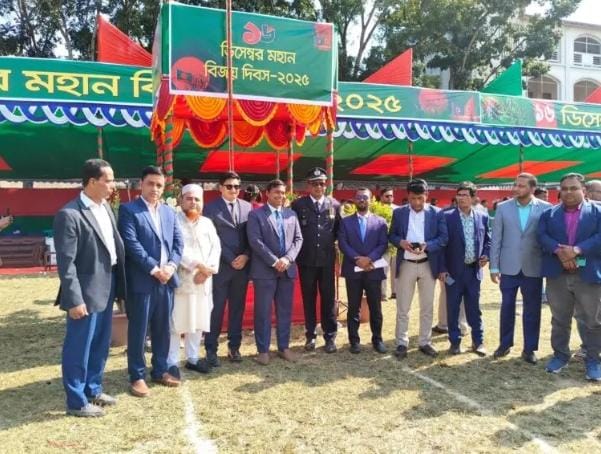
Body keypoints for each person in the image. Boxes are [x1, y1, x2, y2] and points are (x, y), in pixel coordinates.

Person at [54, 159, 126, 417]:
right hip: (85, 292)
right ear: (92, 182)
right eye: (108, 180)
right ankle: (76, 401)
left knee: (100, 343)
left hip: (108, 284)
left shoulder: (106, 207)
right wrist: (74, 299)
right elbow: (66, 263)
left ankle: (93, 388)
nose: (113, 185)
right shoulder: (69, 214)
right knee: (79, 346)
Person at [118, 166, 184, 397]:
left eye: (159, 185)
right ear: (141, 184)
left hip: (166, 280)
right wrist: (155, 269)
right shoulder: (129, 210)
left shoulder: (169, 212)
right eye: (151, 184)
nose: (155, 188)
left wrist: (171, 266)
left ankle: (160, 369)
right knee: (139, 330)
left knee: (162, 328)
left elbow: (178, 243)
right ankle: (137, 376)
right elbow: (131, 244)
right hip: (143, 280)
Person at [538, 173, 601, 381]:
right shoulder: (549, 214)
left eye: (573, 188)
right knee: (559, 319)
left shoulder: (598, 212)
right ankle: (560, 356)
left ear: (584, 190)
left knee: (593, 321)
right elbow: (542, 236)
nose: (568, 192)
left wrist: (576, 250)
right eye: (564, 188)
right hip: (557, 274)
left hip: (588, 274)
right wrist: (559, 251)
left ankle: (593, 361)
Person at [490, 173, 551, 364]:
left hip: (533, 267)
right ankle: (504, 344)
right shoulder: (502, 208)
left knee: (532, 309)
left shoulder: (546, 208)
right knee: (507, 306)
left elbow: (547, 239)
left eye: (521, 186)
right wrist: (494, 267)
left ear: (532, 188)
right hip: (508, 267)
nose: (516, 188)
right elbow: (496, 238)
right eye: (515, 184)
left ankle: (529, 349)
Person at [389, 179, 448, 359]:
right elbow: (392, 235)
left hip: (427, 265)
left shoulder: (437, 213)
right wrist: (401, 242)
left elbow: (443, 238)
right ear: (407, 196)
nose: (416, 202)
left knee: (427, 306)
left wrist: (427, 245)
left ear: (427, 195)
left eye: (420, 198)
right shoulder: (399, 213)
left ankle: (425, 342)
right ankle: (401, 342)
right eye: (413, 198)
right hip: (406, 264)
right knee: (403, 307)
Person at [247, 179, 303, 365]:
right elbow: (255, 241)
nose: (281, 195)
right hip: (265, 271)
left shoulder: (291, 214)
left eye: (283, 192)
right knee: (263, 311)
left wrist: (287, 259)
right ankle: (263, 350)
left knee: (284, 311)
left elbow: (298, 239)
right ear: (267, 193)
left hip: (287, 270)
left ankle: (283, 347)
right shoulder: (256, 215)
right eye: (277, 192)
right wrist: (274, 261)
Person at [167, 184, 221, 376]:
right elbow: (175, 249)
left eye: (197, 199)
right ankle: (171, 361)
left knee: (198, 321)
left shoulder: (207, 223)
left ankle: (193, 358)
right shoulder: (173, 221)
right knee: (176, 323)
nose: (193, 202)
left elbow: (216, 248)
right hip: (182, 281)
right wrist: (198, 265)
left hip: (204, 281)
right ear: (181, 200)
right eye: (189, 198)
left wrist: (208, 270)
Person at [203, 172, 252, 366]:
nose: (234, 190)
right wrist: (231, 258)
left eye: (237, 186)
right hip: (221, 267)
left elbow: (252, 236)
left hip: (242, 268)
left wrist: (246, 255)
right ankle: (211, 349)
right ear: (220, 187)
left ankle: (234, 347)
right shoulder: (210, 208)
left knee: (237, 309)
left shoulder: (247, 207)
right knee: (216, 310)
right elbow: (211, 238)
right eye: (229, 186)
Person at [291, 167, 340, 353]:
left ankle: (330, 336)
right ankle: (310, 335)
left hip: (327, 261)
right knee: (309, 299)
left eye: (321, 183)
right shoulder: (298, 205)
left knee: (328, 299)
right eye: (315, 184)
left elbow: (338, 232)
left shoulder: (334, 205)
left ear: (325, 185)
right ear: (308, 186)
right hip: (306, 261)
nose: (319, 187)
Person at [440, 182, 491, 355]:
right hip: (452, 273)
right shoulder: (446, 217)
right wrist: (442, 269)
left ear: (474, 198)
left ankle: (478, 342)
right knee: (453, 308)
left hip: (473, 272)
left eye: (465, 195)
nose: (461, 198)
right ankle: (455, 342)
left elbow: (488, 240)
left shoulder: (482, 216)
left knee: (474, 309)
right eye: (459, 195)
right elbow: (441, 246)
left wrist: (486, 254)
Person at [338, 188, 388, 354]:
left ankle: (377, 340)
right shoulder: (345, 222)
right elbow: (343, 243)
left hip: (373, 270)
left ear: (371, 200)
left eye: (365, 197)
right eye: (359, 197)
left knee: (376, 308)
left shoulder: (380, 222)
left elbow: (383, 244)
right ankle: (354, 341)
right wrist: (357, 259)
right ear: (354, 200)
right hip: (353, 270)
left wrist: (369, 259)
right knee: (353, 307)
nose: (362, 200)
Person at [379, 187, 399, 300]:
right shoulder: (376, 210)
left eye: (391, 196)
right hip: (382, 245)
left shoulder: (398, 209)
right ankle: (382, 293)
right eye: (387, 196)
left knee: (396, 269)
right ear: (381, 197)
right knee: (383, 269)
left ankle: (395, 292)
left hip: (396, 245)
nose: (389, 198)